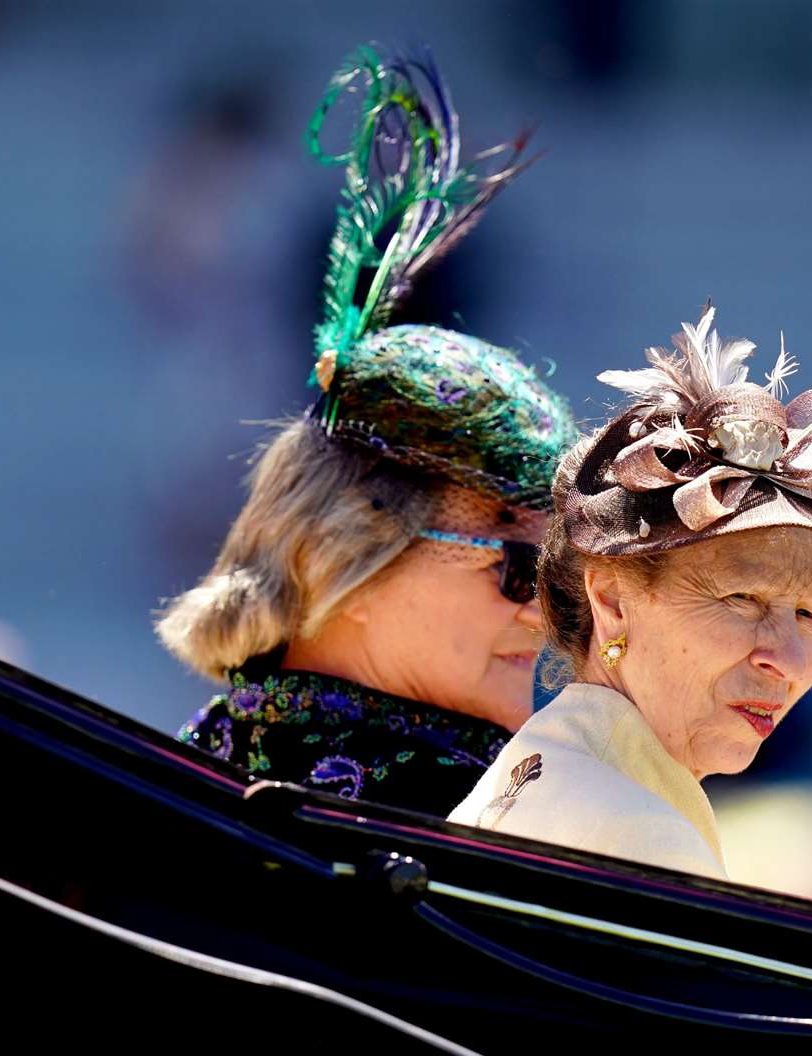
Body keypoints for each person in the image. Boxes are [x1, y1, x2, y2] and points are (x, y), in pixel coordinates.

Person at [156, 45, 576, 817]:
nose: (549, 611)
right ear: (344, 556)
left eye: (563, 570)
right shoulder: (491, 815)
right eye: (517, 560)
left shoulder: (186, 775)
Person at [449, 306, 812, 877]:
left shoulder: (549, 769)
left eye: (811, 617)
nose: (787, 661)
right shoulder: (635, 834)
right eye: (744, 600)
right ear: (612, 604)